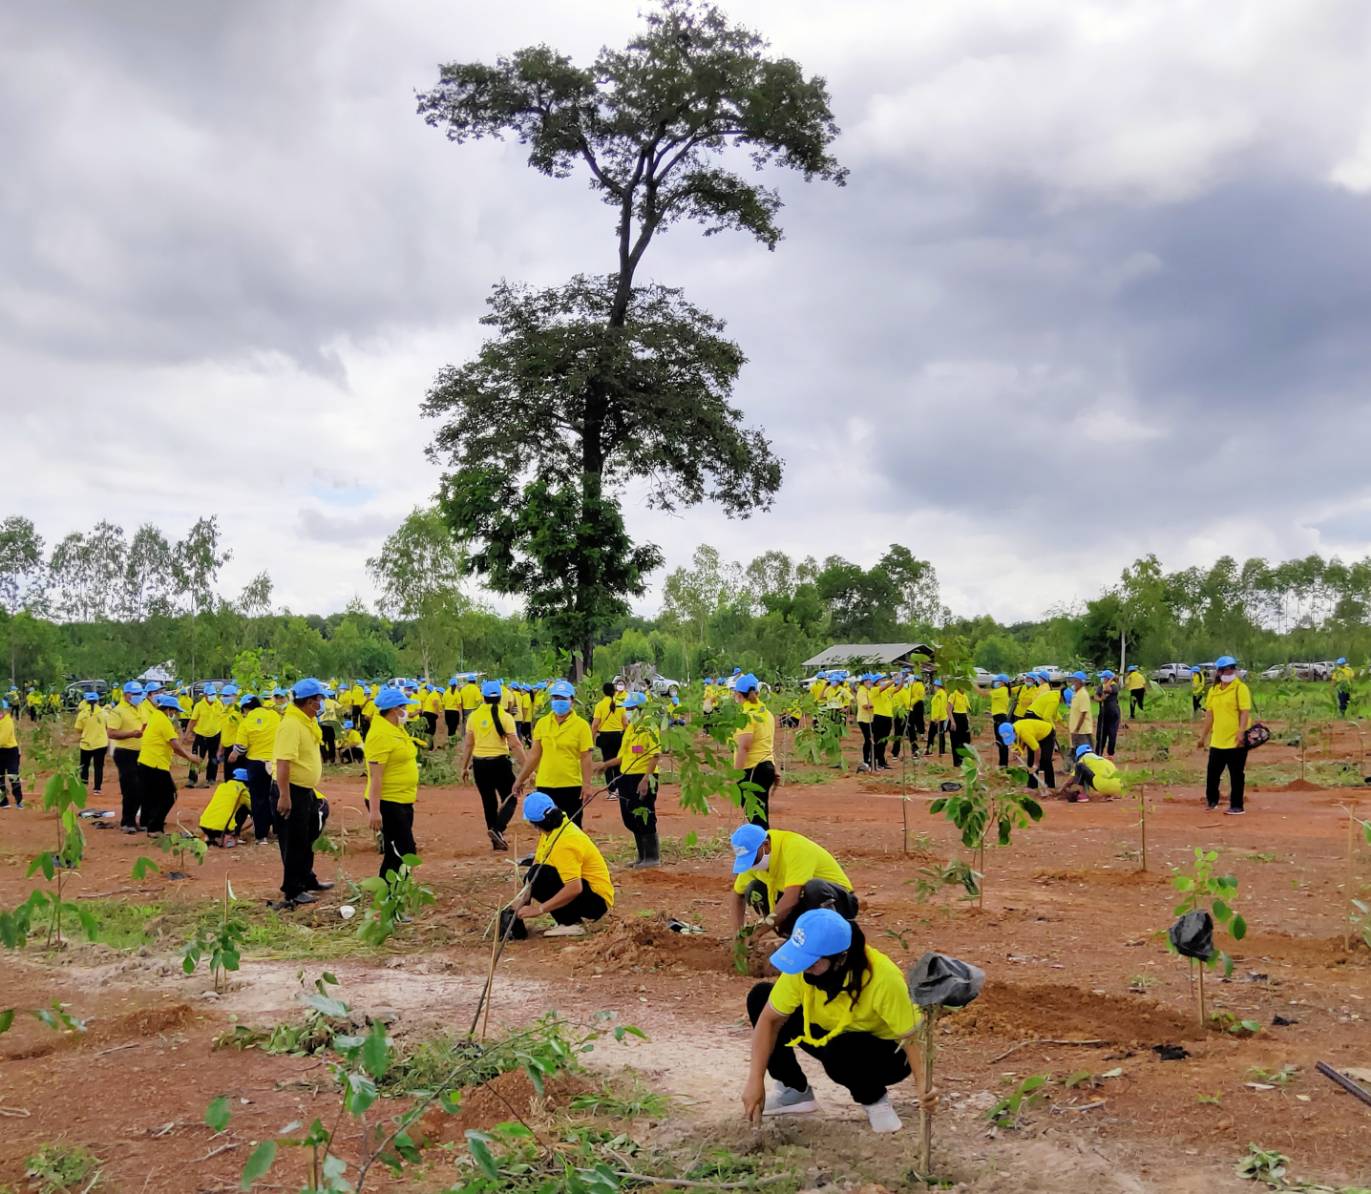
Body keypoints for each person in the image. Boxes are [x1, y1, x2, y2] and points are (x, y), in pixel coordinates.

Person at [741, 909, 920, 1133]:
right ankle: (794, 1090)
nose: (805, 968)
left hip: (887, 1055)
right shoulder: (803, 969)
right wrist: (755, 1079)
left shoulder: (884, 978)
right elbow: (769, 1021)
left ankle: (875, 1100)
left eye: (812, 963)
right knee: (761, 997)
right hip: (831, 1036)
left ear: (840, 958)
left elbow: (912, 1037)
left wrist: (924, 1086)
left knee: (842, 1048)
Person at [512, 791, 614, 938]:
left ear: (534, 824)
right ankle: (567, 919)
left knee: (539, 877)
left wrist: (539, 910)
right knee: (533, 875)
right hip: (587, 892)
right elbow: (537, 863)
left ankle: (571, 923)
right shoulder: (553, 829)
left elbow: (574, 888)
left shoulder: (564, 842)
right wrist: (522, 901)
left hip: (596, 902)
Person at [730, 823, 857, 936]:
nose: (751, 865)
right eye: (747, 861)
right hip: (803, 903)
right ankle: (791, 936)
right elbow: (737, 895)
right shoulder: (754, 862)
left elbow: (791, 898)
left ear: (766, 845)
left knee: (813, 888)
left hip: (840, 900)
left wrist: (760, 931)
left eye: (753, 859)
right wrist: (738, 934)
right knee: (754, 889)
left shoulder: (795, 847)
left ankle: (831, 936)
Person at [272, 678, 334, 906]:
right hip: (291, 790)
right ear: (309, 701)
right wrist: (284, 795)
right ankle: (293, 889)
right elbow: (283, 762)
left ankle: (307, 878)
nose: (321, 703)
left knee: (307, 836)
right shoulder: (291, 725)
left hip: (305, 790)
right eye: (319, 699)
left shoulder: (307, 721)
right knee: (294, 841)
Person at [513, 679, 595, 826]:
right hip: (545, 785)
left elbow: (586, 758)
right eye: (556, 697)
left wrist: (587, 784)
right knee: (546, 827)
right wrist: (520, 779)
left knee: (571, 827)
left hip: (571, 785)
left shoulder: (582, 726)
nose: (559, 701)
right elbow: (534, 755)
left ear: (572, 701)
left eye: (563, 698)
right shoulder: (542, 723)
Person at [460, 679, 527, 851]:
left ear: (483, 697)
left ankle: (495, 840)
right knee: (511, 797)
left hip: (479, 765)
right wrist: (527, 768)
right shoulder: (505, 717)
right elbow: (515, 745)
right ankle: (498, 829)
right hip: (500, 764)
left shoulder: (473, 717)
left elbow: (468, 744)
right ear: (500, 697)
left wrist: (464, 767)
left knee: (488, 802)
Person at [595, 691, 661, 867]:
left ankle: (652, 857)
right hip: (626, 776)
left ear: (641, 708)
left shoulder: (649, 726)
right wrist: (605, 765)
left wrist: (646, 779)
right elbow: (623, 756)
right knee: (630, 816)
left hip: (642, 776)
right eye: (627, 709)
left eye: (632, 709)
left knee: (645, 815)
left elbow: (655, 755)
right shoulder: (631, 728)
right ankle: (642, 856)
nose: (628, 712)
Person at [364, 686, 422, 879]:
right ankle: (393, 889)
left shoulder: (396, 729)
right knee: (405, 850)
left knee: (395, 850)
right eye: (403, 707)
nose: (407, 711)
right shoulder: (380, 735)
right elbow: (376, 776)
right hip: (388, 801)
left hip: (403, 799)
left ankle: (389, 889)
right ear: (394, 710)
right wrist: (374, 811)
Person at [1197, 656, 1251, 815]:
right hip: (1217, 740)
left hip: (1236, 740)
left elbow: (1245, 712)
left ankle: (1237, 805)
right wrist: (1203, 737)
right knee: (1212, 773)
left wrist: (1241, 732)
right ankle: (1212, 801)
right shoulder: (1213, 691)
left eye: (1232, 669)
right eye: (1226, 670)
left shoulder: (1240, 688)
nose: (1230, 672)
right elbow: (1209, 716)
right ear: (1219, 672)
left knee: (1236, 774)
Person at [138, 693, 195, 834]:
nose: (175, 714)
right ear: (168, 709)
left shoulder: (155, 717)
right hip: (156, 764)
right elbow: (175, 745)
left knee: (151, 795)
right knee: (169, 796)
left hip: (146, 762)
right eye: (174, 711)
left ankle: (146, 822)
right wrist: (190, 757)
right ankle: (155, 828)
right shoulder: (163, 721)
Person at [229, 693, 280, 843]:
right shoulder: (274, 716)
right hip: (276, 763)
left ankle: (261, 836)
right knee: (277, 796)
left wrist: (233, 754)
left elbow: (241, 747)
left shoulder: (246, 722)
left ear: (245, 708)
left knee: (258, 799)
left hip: (256, 764)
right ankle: (279, 831)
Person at [732, 673, 778, 828]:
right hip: (766, 767)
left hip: (752, 771)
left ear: (738, 695)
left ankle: (764, 843)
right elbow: (768, 743)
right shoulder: (767, 713)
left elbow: (744, 747)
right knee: (760, 816)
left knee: (755, 818)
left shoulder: (746, 716)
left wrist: (736, 775)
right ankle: (765, 842)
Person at [106, 681, 145, 830]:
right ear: (126, 694)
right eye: (135, 694)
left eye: (139, 693)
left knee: (141, 787)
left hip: (141, 753)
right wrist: (131, 734)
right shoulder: (117, 711)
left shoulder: (141, 708)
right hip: (125, 753)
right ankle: (127, 821)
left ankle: (134, 820)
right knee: (130, 787)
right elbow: (111, 733)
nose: (138, 696)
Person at [997, 718, 1056, 791]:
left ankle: (1050, 786)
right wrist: (1020, 750)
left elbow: (1037, 749)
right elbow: (1022, 739)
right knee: (1031, 760)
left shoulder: (1025, 733)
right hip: (1033, 733)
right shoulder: (1015, 728)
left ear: (1013, 732)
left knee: (1046, 759)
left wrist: (1036, 765)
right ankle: (1032, 786)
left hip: (1047, 733)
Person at [201, 767, 252, 846]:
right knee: (244, 809)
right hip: (223, 828)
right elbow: (253, 808)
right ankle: (232, 837)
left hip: (204, 824)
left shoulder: (222, 786)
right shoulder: (242, 790)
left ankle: (211, 837)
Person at [590, 681, 626, 790]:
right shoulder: (620, 705)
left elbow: (595, 724)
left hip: (605, 737)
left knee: (607, 763)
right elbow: (625, 723)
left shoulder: (600, 705)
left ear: (603, 692)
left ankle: (611, 790)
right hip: (618, 737)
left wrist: (591, 738)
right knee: (618, 762)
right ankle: (619, 788)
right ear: (614, 692)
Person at [74, 690, 109, 797]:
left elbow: (78, 729)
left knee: (84, 766)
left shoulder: (82, 714)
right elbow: (108, 727)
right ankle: (97, 789)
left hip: (86, 744)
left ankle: (83, 787)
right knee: (98, 766)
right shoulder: (104, 713)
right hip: (101, 744)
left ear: (86, 701)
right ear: (98, 701)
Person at [0, 698, 23, 808]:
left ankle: (19, 800)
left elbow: (3, 739)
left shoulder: (7, 720)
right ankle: (3, 801)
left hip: (10, 751)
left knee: (13, 775)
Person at [869, 676, 895, 770]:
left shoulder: (887, 691)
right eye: (882, 680)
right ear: (876, 682)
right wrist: (894, 679)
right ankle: (873, 761)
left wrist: (902, 679)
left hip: (888, 717)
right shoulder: (874, 690)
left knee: (884, 741)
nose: (884, 681)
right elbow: (884, 687)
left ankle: (881, 762)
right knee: (877, 740)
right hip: (879, 717)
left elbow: (897, 689)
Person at [1094, 670, 1121, 758]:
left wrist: (1112, 678)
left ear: (1108, 678)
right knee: (1101, 734)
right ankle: (1098, 753)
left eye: (1103, 677)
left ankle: (1110, 754)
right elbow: (1096, 696)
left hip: (1113, 713)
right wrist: (1100, 699)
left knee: (1112, 733)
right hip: (1103, 713)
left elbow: (1106, 689)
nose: (1102, 679)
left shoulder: (1114, 686)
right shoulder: (1100, 686)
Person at [1066, 672, 1094, 752]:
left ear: (1081, 682)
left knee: (1084, 752)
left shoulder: (1083, 694)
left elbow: (1083, 713)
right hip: (1075, 729)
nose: (1073, 683)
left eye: (1075, 681)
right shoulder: (1076, 693)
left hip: (1082, 731)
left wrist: (1077, 729)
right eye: (1072, 681)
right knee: (1076, 751)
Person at [988, 675, 1011, 766]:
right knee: (1000, 742)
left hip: (1000, 718)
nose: (995, 683)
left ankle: (1003, 765)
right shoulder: (1002, 690)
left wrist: (974, 685)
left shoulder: (1002, 690)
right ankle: (1002, 764)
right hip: (999, 717)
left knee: (1002, 742)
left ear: (1002, 683)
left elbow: (984, 693)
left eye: (997, 681)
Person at [854, 675, 875, 769]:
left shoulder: (868, 690)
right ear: (864, 682)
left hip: (870, 718)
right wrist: (878, 705)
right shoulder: (861, 691)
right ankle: (866, 760)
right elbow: (865, 706)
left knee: (871, 739)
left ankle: (870, 759)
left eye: (871, 681)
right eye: (868, 681)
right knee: (868, 739)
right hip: (864, 719)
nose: (870, 683)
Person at [947, 684, 972, 762]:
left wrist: (967, 718)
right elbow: (948, 710)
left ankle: (964, 758)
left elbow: (966, 709)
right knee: (955, 741)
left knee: (966, 739)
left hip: (963, 718)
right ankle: (957, 761)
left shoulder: (965, 696)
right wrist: (952, 721)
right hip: (955, 718)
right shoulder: (953, 694)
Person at [904, 673, 925, 756]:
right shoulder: (919, 685)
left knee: (911, 722)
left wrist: (911, 702)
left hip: (912, 704)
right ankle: (920, 734)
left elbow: (915, 696)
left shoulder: (912, 685)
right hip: (916, 704)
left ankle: (912, 736)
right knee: (918, 720)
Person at [925, 680, 948, 757]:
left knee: (931, 734)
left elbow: (939, 706)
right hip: (941, 717)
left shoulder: (939, 694)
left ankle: (929, 750)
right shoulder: (943, 693)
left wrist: (937, 718)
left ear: (937, 686)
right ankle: (942, 751)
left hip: (937, 718)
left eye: (934, 686)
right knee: (941, 734)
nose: (933, 687)